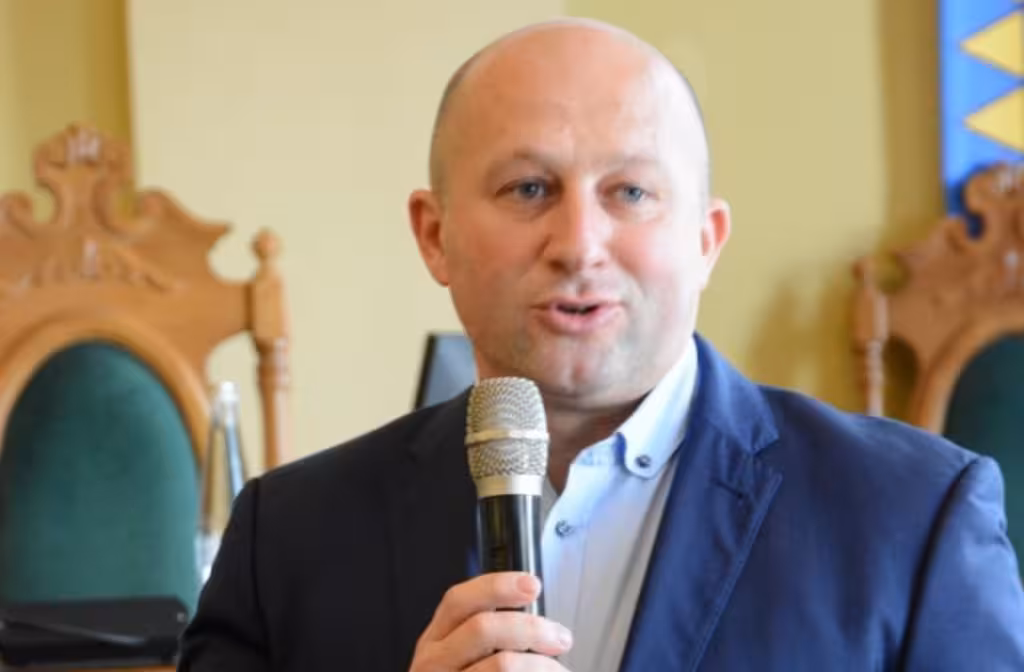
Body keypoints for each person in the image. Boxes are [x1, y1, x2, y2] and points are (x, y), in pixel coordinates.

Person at [178, 18, 1024, 672]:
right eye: (528, 188)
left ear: (705, 240)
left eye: (631, 192)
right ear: (435, 236)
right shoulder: (286, 539)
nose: (580, 243)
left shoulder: (913, 520)